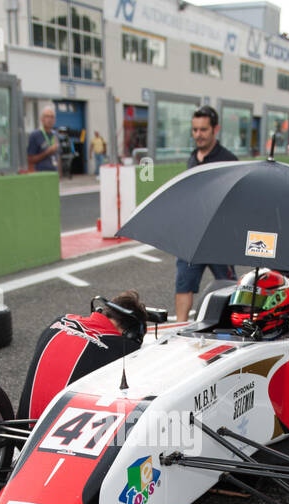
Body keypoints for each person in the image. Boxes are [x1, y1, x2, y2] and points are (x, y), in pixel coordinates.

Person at [17, 292, 152, 419]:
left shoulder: (60, 321)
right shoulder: (122, 348)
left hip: (18, 428)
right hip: (56, 438)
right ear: (130, 333)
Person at [173, 105, 237, 322]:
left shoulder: (228, 160)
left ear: (215, 129)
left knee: (230, 288)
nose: (198, 135)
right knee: (183, 283)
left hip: (219, 238)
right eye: (195, 130)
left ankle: (235, 326)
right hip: (191, 236)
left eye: (203, 130)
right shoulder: (193, 158)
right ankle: (179, 330)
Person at [27, 106, 59, 172]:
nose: (50, 119)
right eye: (47, 116)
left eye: (52, 117)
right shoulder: (35, 135)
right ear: (42, 119)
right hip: (41, 175)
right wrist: (47, 152)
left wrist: (59, 176)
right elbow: (30, 159)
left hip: (53, 174)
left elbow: (58, 157)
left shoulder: (55, 135)